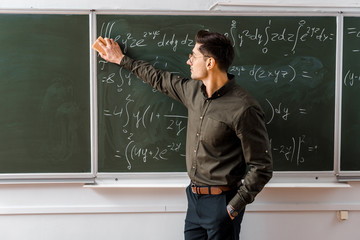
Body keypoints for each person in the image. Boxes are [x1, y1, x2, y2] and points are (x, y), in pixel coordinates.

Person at [95, 30, 273, 240]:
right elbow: (159, 78)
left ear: (210, 63)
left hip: (222, 202)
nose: (188, 61)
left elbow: (262, 167)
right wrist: (122, 60)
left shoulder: (243, 108)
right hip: (194, 199)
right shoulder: (193, 91)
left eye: (193, 56)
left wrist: (233, 208)